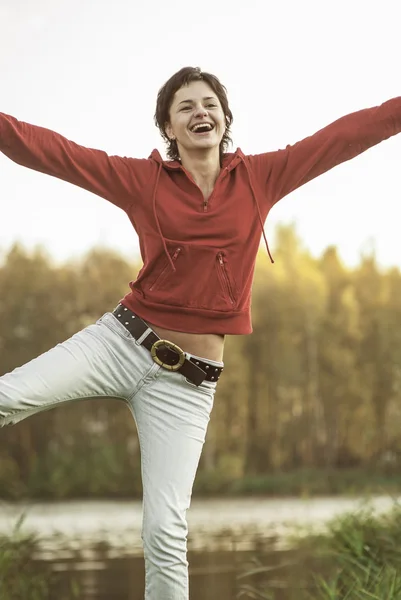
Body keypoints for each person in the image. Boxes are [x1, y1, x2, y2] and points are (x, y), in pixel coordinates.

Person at [0, 66, 400, 600]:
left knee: (165, 530)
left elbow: (344, 137)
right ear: (168, 127)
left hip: (187, 385)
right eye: (185, 107)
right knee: (6, 396)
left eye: (208, 103)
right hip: (119, 344)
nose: (199, 113)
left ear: (225, 118)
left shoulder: (262, 177)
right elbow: (55, 152)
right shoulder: (141, 180)